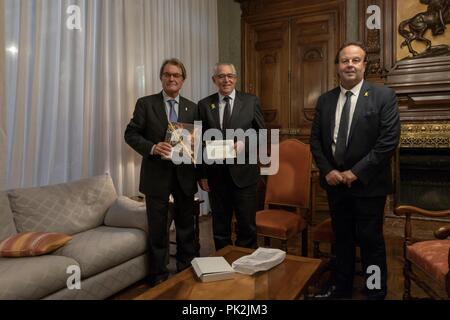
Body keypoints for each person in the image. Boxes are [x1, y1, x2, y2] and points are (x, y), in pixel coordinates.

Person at [310, 42, 400, 300]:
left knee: (371, 241)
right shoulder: (325, 100)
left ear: (364, 65)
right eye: (344, 60)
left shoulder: (383, 96)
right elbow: (316, 140)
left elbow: (388, 142)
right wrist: (327, 170)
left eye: (356, 60)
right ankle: (342, 287)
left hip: (368, 185)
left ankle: (374, 289)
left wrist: (356, 172)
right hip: (335, 184)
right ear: (337, 66)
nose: (350, 64)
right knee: (343, 240)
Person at [124, 58, 198, 287]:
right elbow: (131, 134)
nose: (172, 78)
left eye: (176, 75)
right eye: (167, 74)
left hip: (185, 177)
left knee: (186, 227)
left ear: (183, 80)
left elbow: (197, 142)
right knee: (158, 229)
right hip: (156, 177)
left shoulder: (192, 107)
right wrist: (153, 147)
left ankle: (186, 269)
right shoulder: (145, 104)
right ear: (161, 78)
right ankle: (158, 276)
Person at [197, 63, 265, 251]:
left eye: (230, 76)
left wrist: (245, 143)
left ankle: (247, 270)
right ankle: (224, 266)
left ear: (235, 78)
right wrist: (202, 174)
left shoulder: (251, 101)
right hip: (216, 176)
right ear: (214, 80)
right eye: (221, 76)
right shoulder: (204, 105)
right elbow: (199, 141)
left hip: (245, 176)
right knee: (220, 228)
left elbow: (262, 133)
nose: (226, 80)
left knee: (247, 227)